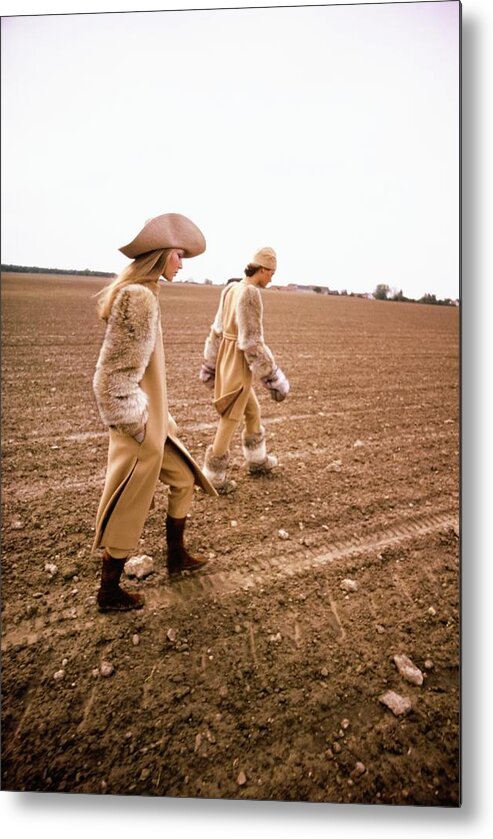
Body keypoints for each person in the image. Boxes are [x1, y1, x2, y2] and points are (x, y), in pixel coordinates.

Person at [92, 213, 218, 613]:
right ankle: (109, 591)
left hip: (151, 422)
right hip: (138, 426)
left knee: (182, 479)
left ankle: (176, 557)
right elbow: (110, 379)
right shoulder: (139, 298)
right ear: (162, 255)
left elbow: (143, 373)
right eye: (178, 255)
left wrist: (161, 418)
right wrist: (140, 424)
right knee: (129, 503)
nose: (181, 264)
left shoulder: (144, 294)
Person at [199, 246, 290, 493]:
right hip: (238, 362)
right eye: (271, 272)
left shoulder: (231, 288)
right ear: (261, 269)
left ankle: (257, 460)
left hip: (225, 359)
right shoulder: (250, 294)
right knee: (230, 417)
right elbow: (251, 342)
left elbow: (216, 330)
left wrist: (210, 364)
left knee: (253, 411)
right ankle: (213, 476)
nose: (272, 277)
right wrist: (273, 378)